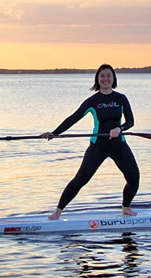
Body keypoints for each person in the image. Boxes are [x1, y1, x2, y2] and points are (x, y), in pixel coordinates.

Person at [40, 64, 140, 220]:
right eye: (102, 76)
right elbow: (73, 118)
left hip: (118, 145)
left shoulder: (121, 99)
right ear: (97, 79)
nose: (105, 79)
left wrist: (120, 128)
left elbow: (131, 122)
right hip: (98, 146)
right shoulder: (93, 101)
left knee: (134, 178)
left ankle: (126, 207)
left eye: (108, 76)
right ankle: (58, 211)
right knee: (81, 179)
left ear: (113, 78)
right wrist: (54, 133)